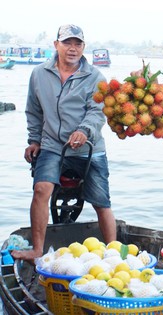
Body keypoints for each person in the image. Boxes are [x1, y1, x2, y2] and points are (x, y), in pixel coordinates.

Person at [11, 24, 116, 262]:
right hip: (52, 145)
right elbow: (34, 111)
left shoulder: (96, 77)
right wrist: (34, 140)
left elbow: (97, 112)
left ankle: (114, 253)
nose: (72, 48)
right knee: (41, 190)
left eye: (77, 44)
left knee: (102, 202)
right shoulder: (39, 74)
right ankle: (37, 250)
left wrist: (83, 131)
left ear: (83, 48)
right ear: (56, 45)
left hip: (89, 147)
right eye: (67, 43)